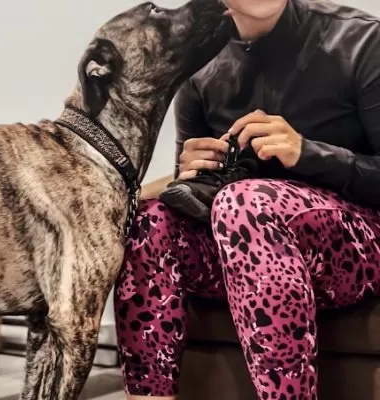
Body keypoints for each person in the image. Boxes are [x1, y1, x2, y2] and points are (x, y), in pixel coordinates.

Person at [114, 0, 380, 398]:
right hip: (243, 245)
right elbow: (192, 195)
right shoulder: (199, 65)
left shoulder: (362, 39)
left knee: (246, 202)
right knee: (151, 221)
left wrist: (309, 153)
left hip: (357, 245)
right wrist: (191, 170)